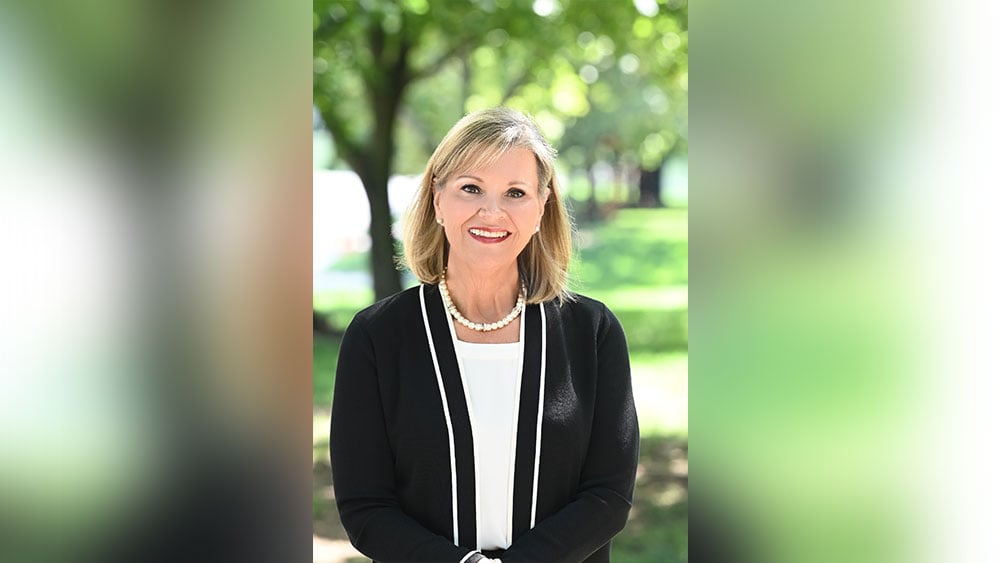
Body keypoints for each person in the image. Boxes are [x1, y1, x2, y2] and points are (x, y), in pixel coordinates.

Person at [330, 107, 639, 563]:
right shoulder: (378, 338)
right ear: (438, 200)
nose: (491, 212)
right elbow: (366, 507)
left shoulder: (591, 333)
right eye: (470, 188)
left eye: (515, 193)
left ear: (541, 208)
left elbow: (608, 496)